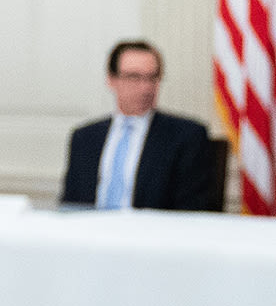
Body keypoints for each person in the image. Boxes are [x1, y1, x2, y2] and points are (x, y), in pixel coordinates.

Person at [60, 40, 223, 212]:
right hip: (90, 234)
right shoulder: (85, 138)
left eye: (152, 78)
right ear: (111, 80)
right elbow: (71, 205)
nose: (146, 88)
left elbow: (191, 210)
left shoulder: (186, 136)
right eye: (134, 77)